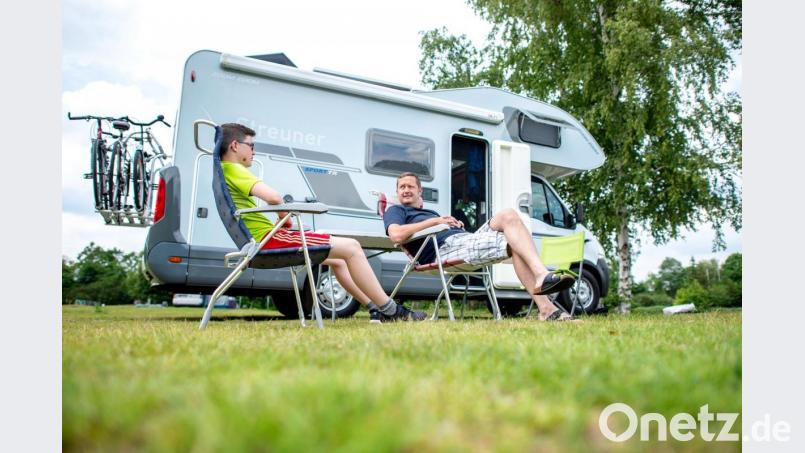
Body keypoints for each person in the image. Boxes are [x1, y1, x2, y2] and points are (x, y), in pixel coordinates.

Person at [219, 123, 426, 323]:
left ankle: (373, 308)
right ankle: (392, 311)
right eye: (251, 145)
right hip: (268, 240)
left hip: (263, 239)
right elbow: (274, 197)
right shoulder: (233, 168)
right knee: (353, 247)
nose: (254, 151)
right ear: (235, 146)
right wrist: (285, 218)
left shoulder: (222, 171)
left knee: (339, 260)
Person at [384, 172, 577, 321]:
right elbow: (396, 234)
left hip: (462, 239)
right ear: (397, 192)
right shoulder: (396, 210)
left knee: (508, 214)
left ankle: (543, 284)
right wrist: (436, 222)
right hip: (443, 250)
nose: (406, 190)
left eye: (410, 186)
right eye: (402, 187)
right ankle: (546, 305)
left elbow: (441, 226)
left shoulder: (430, 212)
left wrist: (452, 224)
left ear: (420, 191)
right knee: (514, 244)